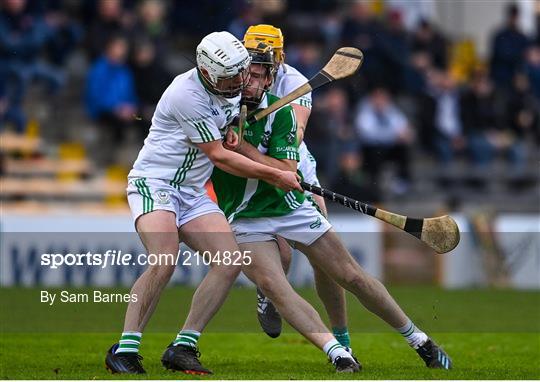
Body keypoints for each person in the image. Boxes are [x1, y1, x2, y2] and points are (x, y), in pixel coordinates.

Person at [182, 41, 452, 373]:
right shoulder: (216, 110)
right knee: (275, 286)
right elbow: (211, 150)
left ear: (269, 79)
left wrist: (246, 149)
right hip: (244, 217)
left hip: (289, 206)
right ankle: (338, 353)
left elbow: (285, 171)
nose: (248, 82)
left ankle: (421, 341)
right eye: (244, 75)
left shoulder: (281, 111)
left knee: (351, 275)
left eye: (257, 76)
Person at [104, 31, 301, 375]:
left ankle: (184, 345)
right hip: (156, 183)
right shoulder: (186, 94)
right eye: (231, 77)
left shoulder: (230, 82)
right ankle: (125, 349)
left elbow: (227, 128)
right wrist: (275, 174)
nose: (240, 82)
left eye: (242, 74)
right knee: (164, 260)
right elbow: (220, 157)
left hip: (192, 192)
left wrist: (233, 129)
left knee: (229, 262)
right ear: (207, 72)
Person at [242, 24, 351, 349]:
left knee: (326, 258)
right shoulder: (236, 75)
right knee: (281, 253)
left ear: (281, 55)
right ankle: (268, 294)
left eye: (268, 53)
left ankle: (341, 335)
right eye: (252, 52)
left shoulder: (297, 83)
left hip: (293, 163)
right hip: (247, 166)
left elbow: (298, 130)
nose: (259, 60)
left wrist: (281, 156)